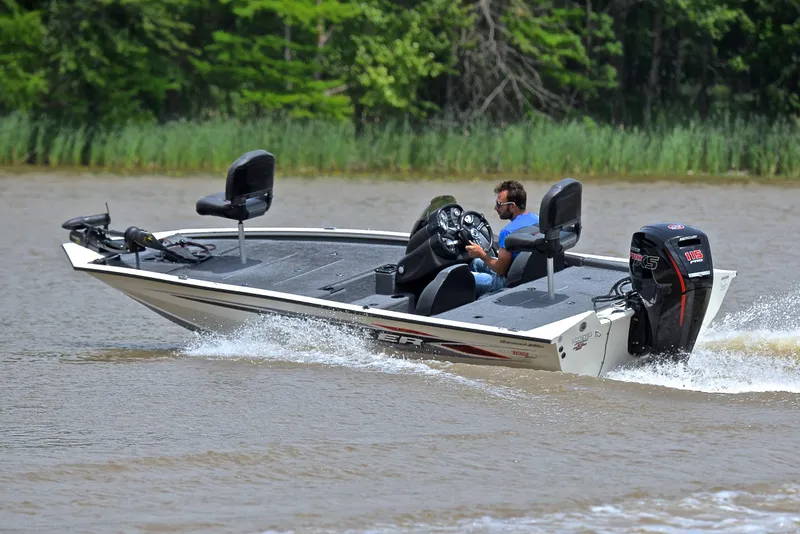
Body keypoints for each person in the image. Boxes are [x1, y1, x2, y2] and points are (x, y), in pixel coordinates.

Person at [465, 180, 539, 297]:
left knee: (461, 278)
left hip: (510, 281)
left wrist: (481, 254)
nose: (495, 208)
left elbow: (501, 270)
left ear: (512, 206)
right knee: (476, 263)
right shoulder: (537, 220)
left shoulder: (507, 232)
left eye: (499, 204)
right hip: (531, 274)